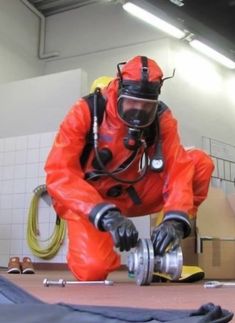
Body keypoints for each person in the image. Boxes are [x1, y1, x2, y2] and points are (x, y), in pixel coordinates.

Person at [45, 55, 214, 281]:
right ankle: (97, 248)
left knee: (200, 163)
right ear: (119, 91)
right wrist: (107, 216)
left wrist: (175, 220)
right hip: (88, 202)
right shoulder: (86, 111)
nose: (138, 112)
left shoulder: (161, 118)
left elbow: (177, 169)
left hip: (130, 192)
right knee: (93, 269)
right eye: (131, 103)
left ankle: (163, 250)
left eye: (146, 107)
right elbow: (58, 173)